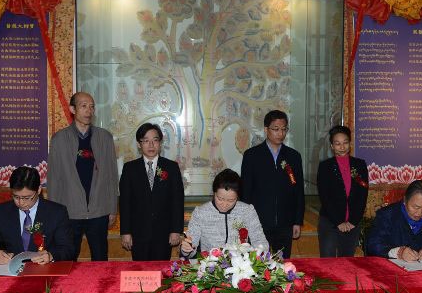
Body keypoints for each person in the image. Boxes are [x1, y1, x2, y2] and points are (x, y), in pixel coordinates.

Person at [47, 92, 118, 261]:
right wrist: (55, 214)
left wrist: (112, 208)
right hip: (70, 211)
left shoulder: (105, 137)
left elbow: (112, 176)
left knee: (100, 259)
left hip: (99, 210)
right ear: (73, 109)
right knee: (67, 259)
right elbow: (54, 180)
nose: (89, 110)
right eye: (84, 106)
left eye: (92, 107)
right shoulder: (59, 139)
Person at [0, 166, 74, 264]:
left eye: (27, 198)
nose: (21, 202)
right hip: (11, 269)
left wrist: (50, 256)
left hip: (44, 269)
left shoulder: (56, 212)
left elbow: (68, 249)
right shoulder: (1, 212)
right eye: (16, 197)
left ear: (39, 190)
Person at [241, 110, 305, 258]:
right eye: (276, 129)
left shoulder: (293, 156)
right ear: (266, 129)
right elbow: (246, 191)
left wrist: (297, 221)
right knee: (257, 262)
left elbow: (298, 191)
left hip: (285, 222)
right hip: (258, 222)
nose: (280, 134)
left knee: (282, 264)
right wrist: (245, 222)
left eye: (284, 129)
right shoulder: (252, 155)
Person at [119, 123, 184, 260]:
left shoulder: (171, 167)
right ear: (139, 144)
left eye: (155, 140)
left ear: (160, 143)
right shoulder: (130, 169)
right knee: (140, 270)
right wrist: (125, 232)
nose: (151, 145)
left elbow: (177, 201)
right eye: (146, 141)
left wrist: (176, 230)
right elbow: (125, 203)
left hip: (164, 233)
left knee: (161, 270)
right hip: (138, 233)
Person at [181, 169, 268, 257]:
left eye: (231, 200)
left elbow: (260, 241)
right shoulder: (200, 212)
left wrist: (258, 252)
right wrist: (187, 249)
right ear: (214, 193)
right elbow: (191, 246)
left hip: (241, 262)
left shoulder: (247, 211)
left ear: (238, 197)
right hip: (210, 263)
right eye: (220, 199)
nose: (224, 204)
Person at [366, 180, 422, 260]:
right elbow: (373, 245)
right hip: (391, 269)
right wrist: (399, 252)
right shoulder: (387, 215)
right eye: (415, 207)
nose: (419, 213)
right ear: (405, 200)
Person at [316, 125, 369, 257]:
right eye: (337, 143)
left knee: (347, 260)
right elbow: (325, 197)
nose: (342, 146)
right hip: (330, 221)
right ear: (332, 146)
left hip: (352, 223)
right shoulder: (325, 166)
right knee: (328, 261)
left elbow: (363, 195)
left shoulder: (360, 165)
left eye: (345, 142)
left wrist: (353, 221)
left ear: (350, 143)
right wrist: (338, 222)